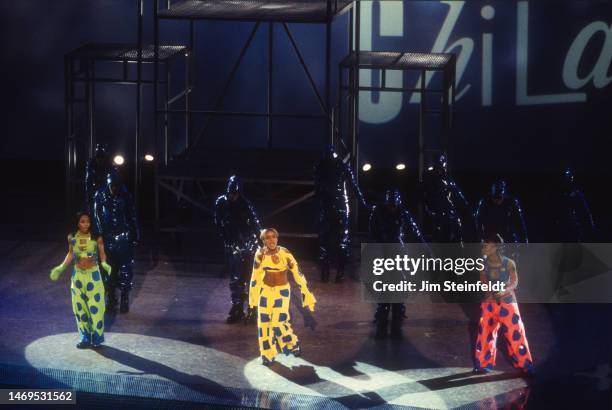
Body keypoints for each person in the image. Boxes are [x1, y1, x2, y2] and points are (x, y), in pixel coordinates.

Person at [249, 228, 316, 365]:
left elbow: (297, 273)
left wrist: (305, 292)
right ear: (263, 240)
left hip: (282, 292)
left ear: (277, 238)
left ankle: (293, 343)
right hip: (266, 291)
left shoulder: (285, 253)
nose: (271, 240)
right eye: (268, 237)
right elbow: (255, 276)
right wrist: (253, 297)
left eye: (274, 237)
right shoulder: (260, 254)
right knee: (264, 323)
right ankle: (267, 354)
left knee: (278, 323)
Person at [369, 188, 428, 339]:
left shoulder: (403, 214)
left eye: (393, 205)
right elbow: (372, 233)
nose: (391, 208)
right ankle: (382, 318)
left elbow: (415, 232)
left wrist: (426, 248)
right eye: (389, 205)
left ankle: (397, 318)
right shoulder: (377, 213)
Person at [473, 234, 534, 375]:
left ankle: (525, 364)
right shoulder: (483, 264)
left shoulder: (509, 263)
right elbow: (483, 279)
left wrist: (503, 291)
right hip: (489, 304)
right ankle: (483, 364)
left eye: (486, 245)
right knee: (485, 333)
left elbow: (514, 282)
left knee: (516, 334)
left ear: (495, 247)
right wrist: (490, 291)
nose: (483, 247)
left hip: (507, 304)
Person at [50, 212, 111, 348]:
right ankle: (84, 337)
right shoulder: (72, 237)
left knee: (96, 308)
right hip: (78, 277)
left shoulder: (96, 237)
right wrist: (61, 268)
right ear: (77, 222)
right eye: (82, 221)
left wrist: (105, 263)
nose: (86, 224)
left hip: (93, 276)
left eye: (88, 221)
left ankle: (97, 337)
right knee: (79, 307)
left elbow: (102, 252)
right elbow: (71, 253)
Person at [314, 145, 368, 283]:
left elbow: (317, 189)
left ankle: (328, 274)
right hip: (339, 207)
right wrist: (363, 204)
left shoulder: (320, 166)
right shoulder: (340, 166)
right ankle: (339, 274)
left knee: (325, 242)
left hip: (327, 207)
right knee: (341, 242)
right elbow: (354, 186)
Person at [214, 175, 262, 324]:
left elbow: (255, 224)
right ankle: (238, 307)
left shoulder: (246, 205)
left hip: (249, 244)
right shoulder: (221, 202)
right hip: (234, 244)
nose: (232, 196)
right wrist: (228, 242)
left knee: (250, 279)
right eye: (230, 193)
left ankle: (253, 310)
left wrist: (260, 243)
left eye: (234, 193)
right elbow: (219, 223)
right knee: (236, 279)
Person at [93, 168, 140, 314]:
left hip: (123, 237)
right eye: (111, 186)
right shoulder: (100, 195)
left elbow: (132, 216)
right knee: (107, 270)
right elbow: (96, 215)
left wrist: (135, 234)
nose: (113, 189)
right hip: (107, 238)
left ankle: (124, 297)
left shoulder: (126, 196)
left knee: (126, 269)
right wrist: (100, 234)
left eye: (116, 186)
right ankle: (111, 299)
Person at [423, 154, 475, 245]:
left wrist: (466, 209)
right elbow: (426, 198)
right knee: (441, 241)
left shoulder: (448, 180)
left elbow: (459, 197)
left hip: (449, 216)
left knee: (454, 239)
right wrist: (432, 211)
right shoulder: (429, 180)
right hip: (438, 216)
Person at [85, 144, 112, 215]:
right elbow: (89, 181)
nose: (100, 159)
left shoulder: (109, 163)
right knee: (94, 205)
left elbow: (113, 175)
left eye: (102, 157)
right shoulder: (91, 165)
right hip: (95, 187)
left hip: (106, 187)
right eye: (98, 157)